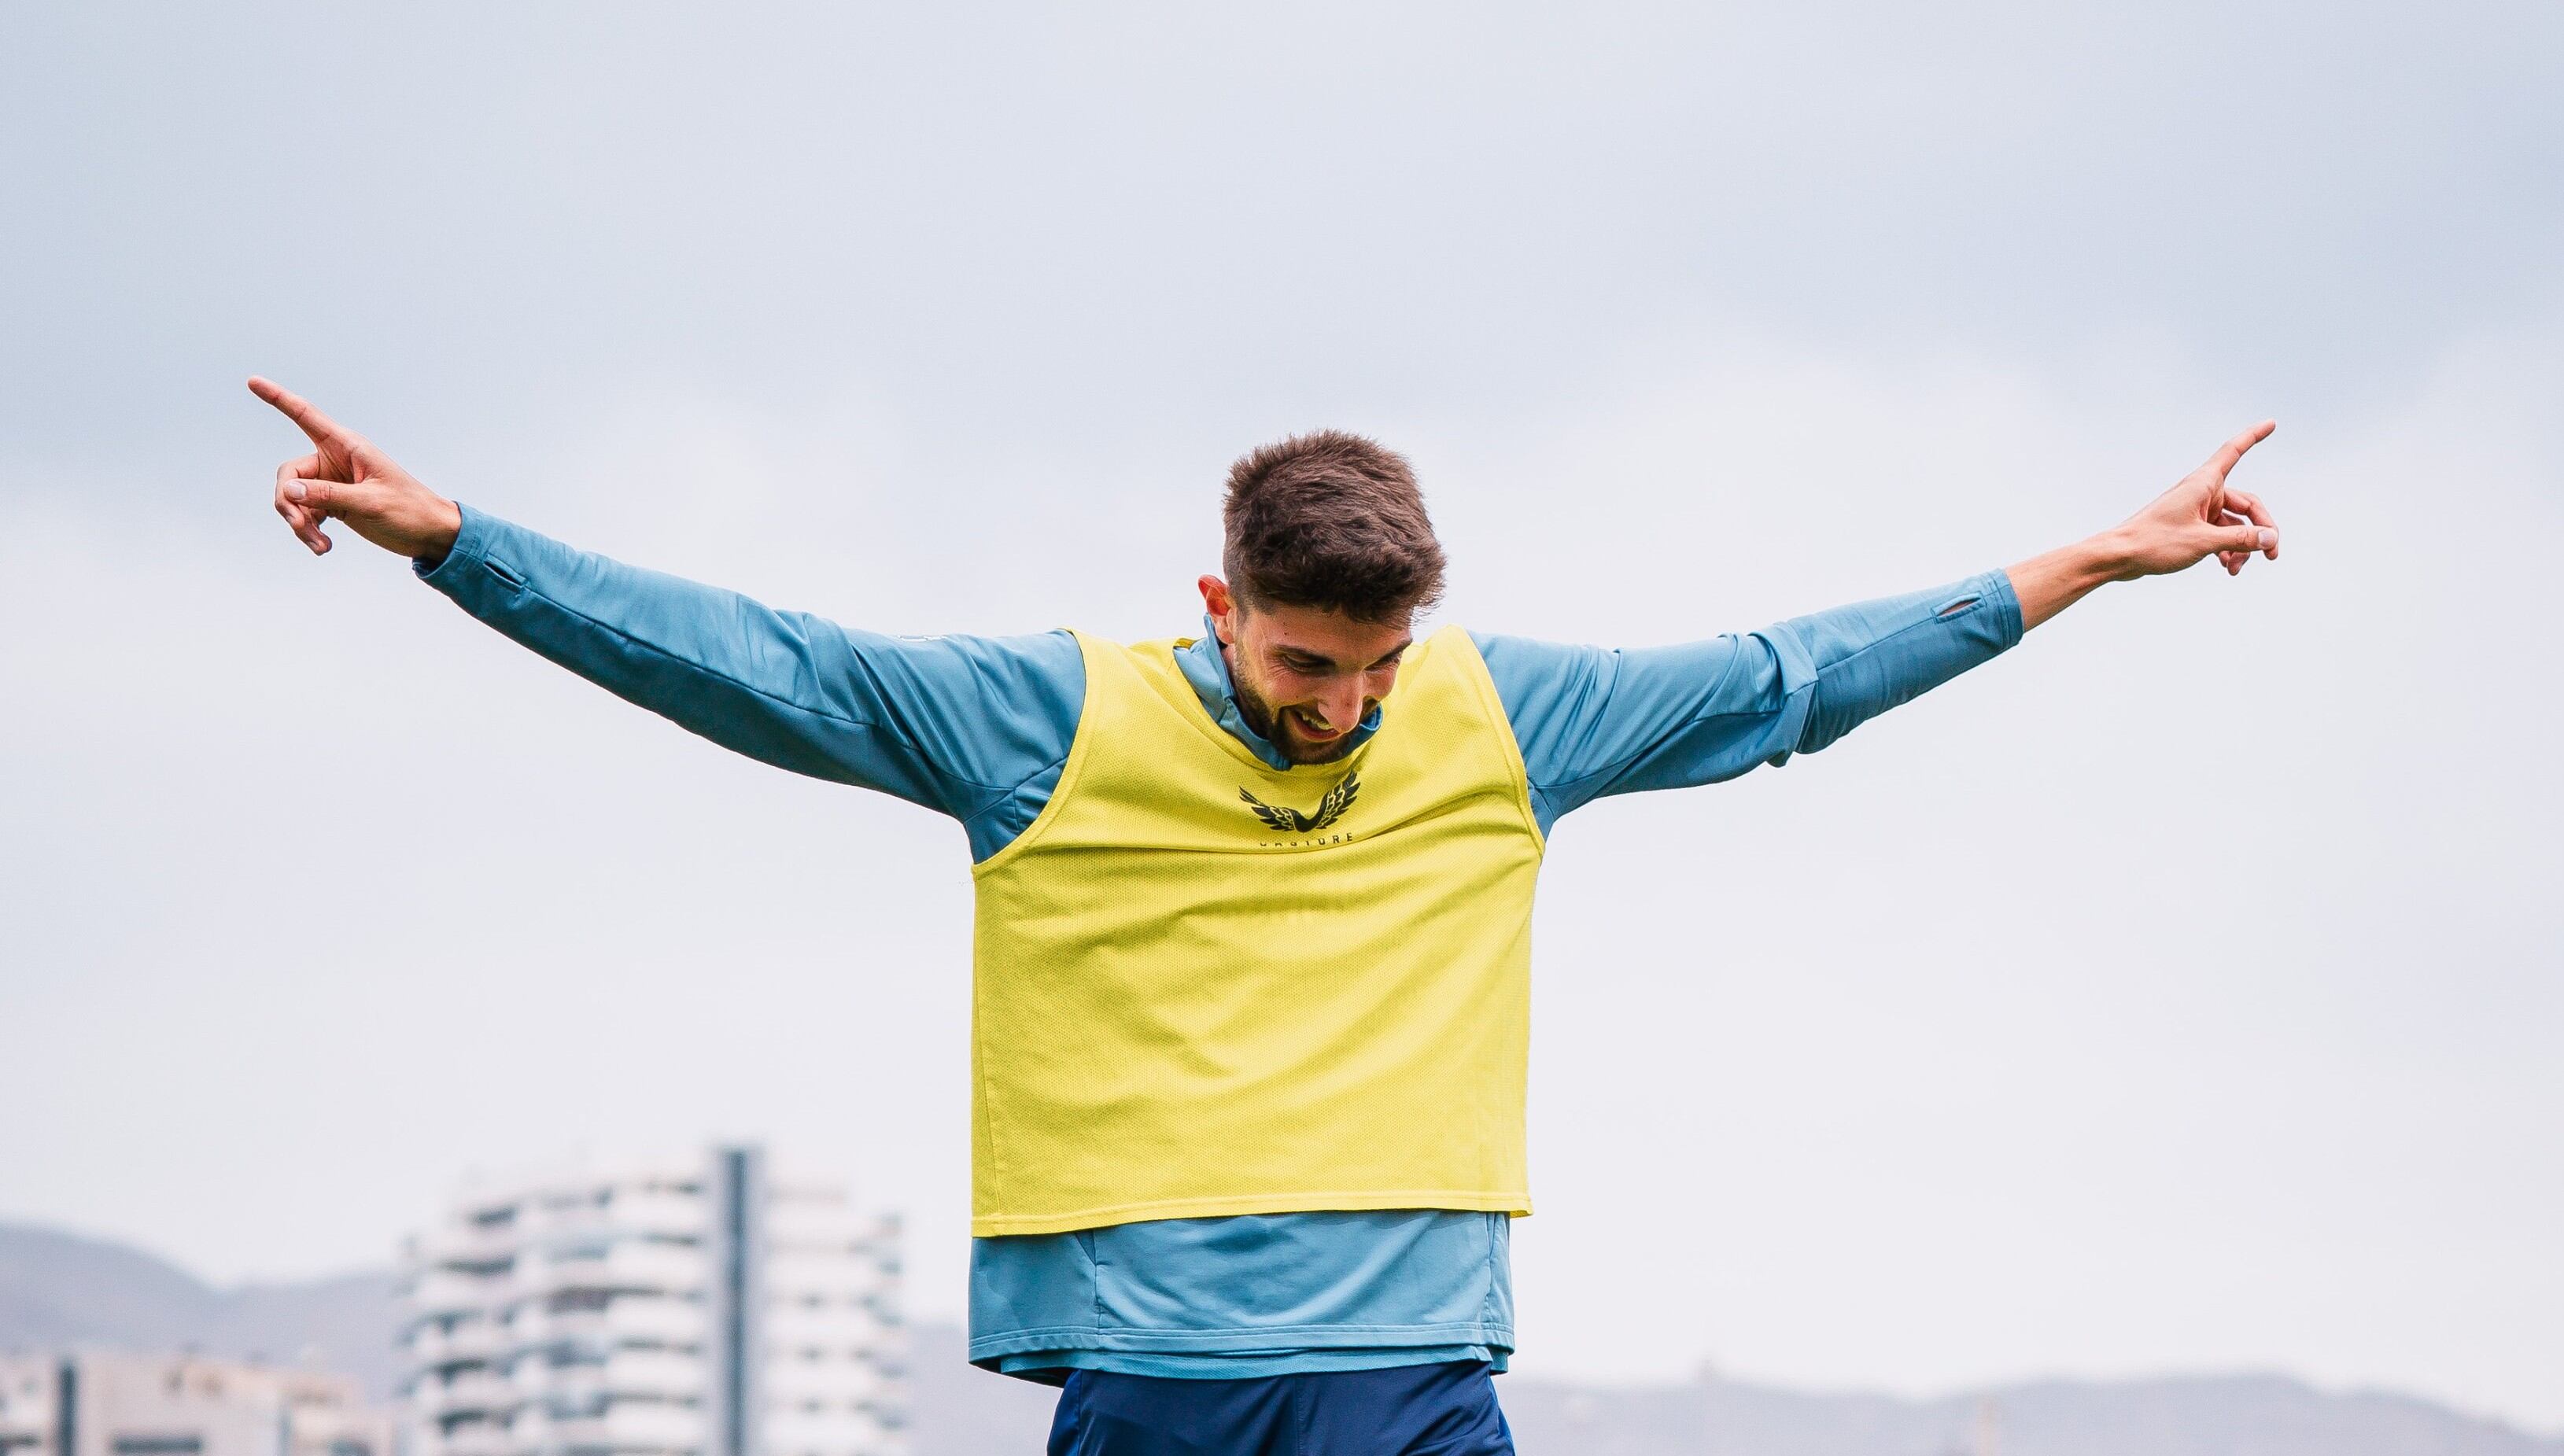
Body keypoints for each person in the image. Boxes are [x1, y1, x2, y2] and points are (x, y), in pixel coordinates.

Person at [250, 375, 2280, 1456]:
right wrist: (460, 545)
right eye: (1307, 667)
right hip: (1159, 1381)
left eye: (1375, 672)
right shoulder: (1044, 721)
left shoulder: (1503, 715)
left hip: (1416, 1374)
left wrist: (2099, 556)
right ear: (1220, 604)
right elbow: (758, 661)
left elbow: (1786, 680)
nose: (1344, 709)